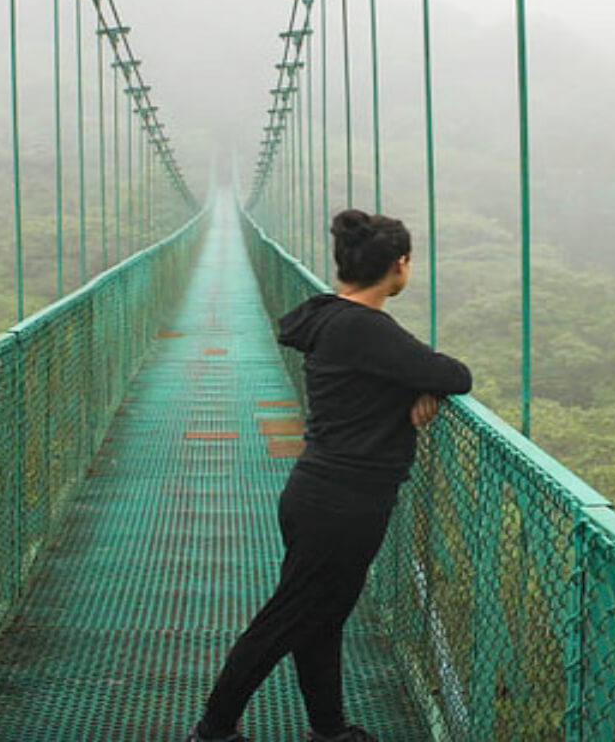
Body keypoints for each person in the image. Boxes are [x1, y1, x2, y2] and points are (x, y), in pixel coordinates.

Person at [189, 210, 472, 742]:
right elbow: (455, 375)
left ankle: (328, 728)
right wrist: (418, 382)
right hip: (344, 504)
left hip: (318, 492)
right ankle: (213, 729)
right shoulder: (367, 329)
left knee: (320, 618)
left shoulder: (325, 316)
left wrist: (407, 384)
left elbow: (394, 376)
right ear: (399, 266)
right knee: (286, 619)